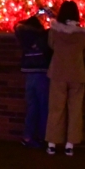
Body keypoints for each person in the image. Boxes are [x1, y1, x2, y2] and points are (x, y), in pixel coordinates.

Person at [46, 1, 85, 156]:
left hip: (58, 73)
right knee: (75, 110)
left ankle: (52, 143)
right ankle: (70, 144)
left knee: (56, 109)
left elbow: (51, 45)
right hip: (77, 74)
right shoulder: (83, 35)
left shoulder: (54, 32)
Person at [14, 14, 52, 149]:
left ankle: (27, 136)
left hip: (29, 74)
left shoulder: (22, 36)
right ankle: (42, 137)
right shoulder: (42, 36)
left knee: (31, 106)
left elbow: (17, 25)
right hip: (42, 73)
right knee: (43, 107)